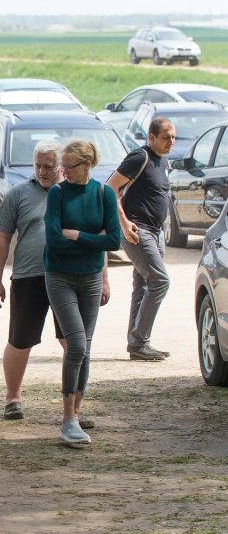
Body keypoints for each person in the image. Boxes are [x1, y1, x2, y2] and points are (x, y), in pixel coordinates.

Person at [44, 140, 120, 446]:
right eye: (62, 165)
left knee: (85, 346)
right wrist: (93, 239)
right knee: (75, 344)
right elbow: (53, 241)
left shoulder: (104, 194)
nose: (63, 171)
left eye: (69, 166)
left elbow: (114, 241)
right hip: (59, 276)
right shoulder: (57, 193)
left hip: (90, 277)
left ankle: (76, 411)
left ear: (87, 165)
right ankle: (67, 419)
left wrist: (77, 235)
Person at [0, 139, 68, 421]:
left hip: (67, 278)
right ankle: (13, 398)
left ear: (61, 165)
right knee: (20, 340)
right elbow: (1, 239)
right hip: (28, 276)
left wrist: (103, 279)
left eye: (49, 166)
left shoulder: (73, 193)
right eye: (38, 166)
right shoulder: (18, 193)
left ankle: (72, 406)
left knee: (72, 341)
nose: (43, 171)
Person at [106, 116, 175, 362]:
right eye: (166, 137)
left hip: (156, 233)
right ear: (151, 137)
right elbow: (109, 188)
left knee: (143, 285)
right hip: (138, 231)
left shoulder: (163, 162)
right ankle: (140, 341)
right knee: (160, 281)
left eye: (173, 137)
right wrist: (124, 223)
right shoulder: (139, 157)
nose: (171, 142)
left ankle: (136, 343)